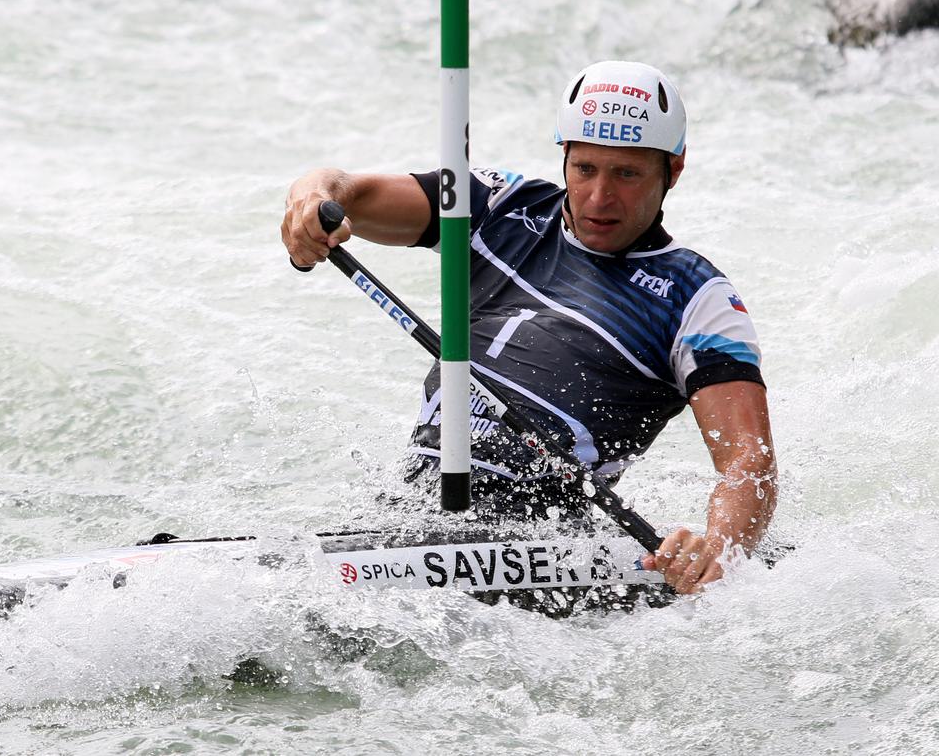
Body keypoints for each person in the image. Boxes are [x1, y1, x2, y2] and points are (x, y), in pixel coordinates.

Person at [280, 61, 777, 595]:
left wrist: (720, 546)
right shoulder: (497, 206)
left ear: (672, 171)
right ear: (564, 157)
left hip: (546, 560)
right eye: (585, 169)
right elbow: (347, 190)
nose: (599, 197)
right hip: (414, 521)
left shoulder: (697, 299)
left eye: (627, 174)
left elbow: (749, 462)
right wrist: (311, 201)